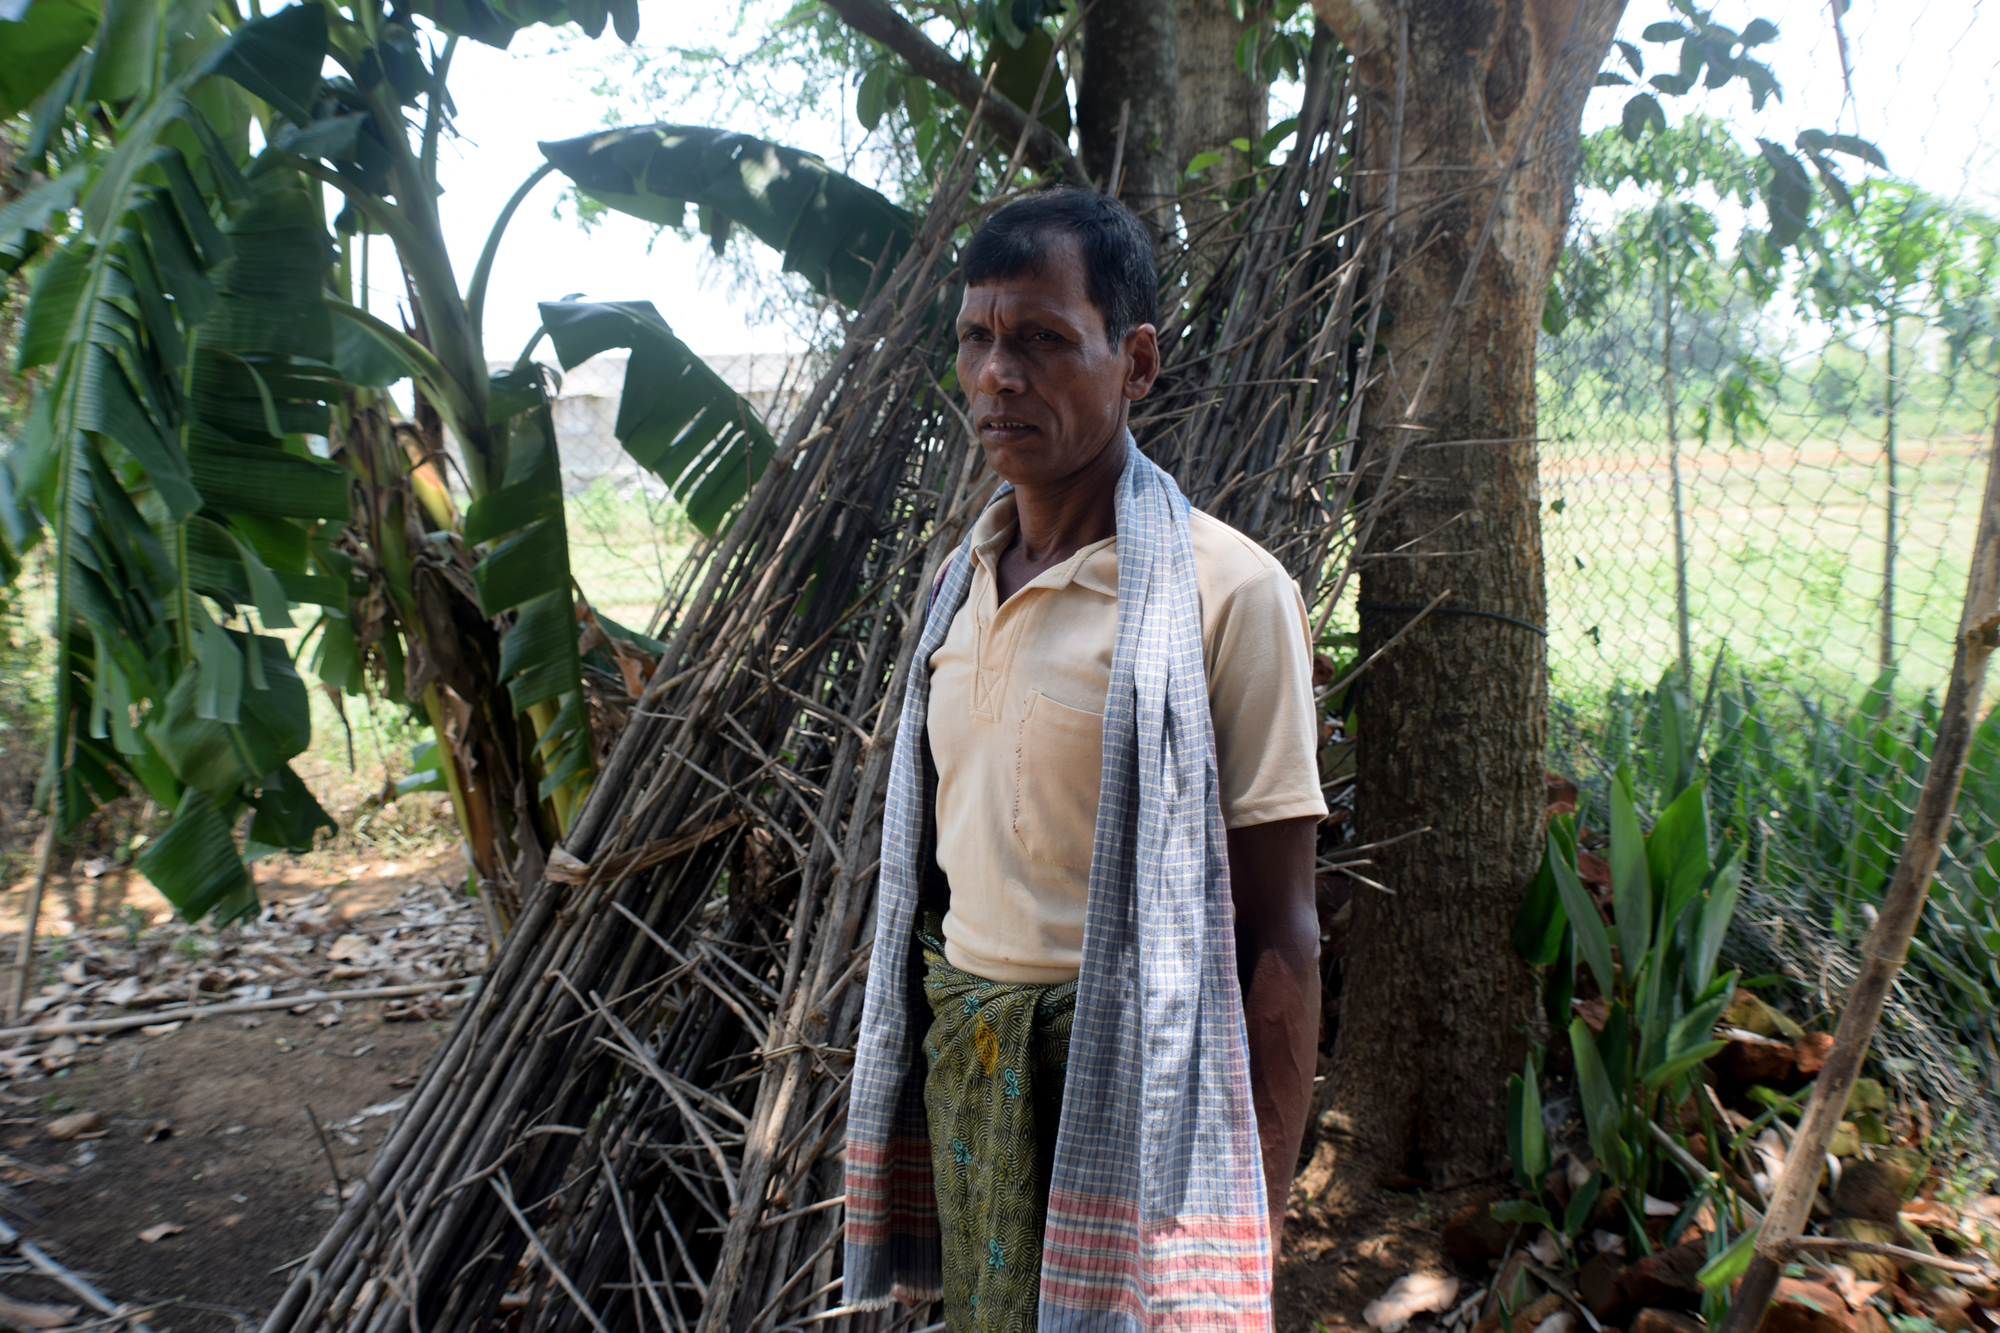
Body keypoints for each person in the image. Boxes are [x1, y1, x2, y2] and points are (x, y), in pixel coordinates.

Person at [845, 188, 1326, 1332]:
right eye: (976, 338)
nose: (997, 375)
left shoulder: (1227, 594)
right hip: (976, 1073)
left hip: (1131, 1091)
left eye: (1043, 340)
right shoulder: (953, 589)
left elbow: (1280, 929)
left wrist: (1245, 1216)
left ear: (1136, 362)